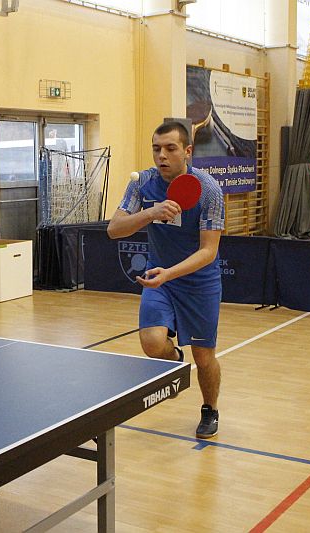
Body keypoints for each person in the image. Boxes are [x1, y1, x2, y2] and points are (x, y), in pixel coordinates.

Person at [107, 121, 225, 439]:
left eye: (170, 148)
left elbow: (209, 251)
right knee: (152, 343)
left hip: (199, 283)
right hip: (158, 277)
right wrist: (150, 213)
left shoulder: (208, 190)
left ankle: (210, 409)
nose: (162, 155)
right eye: (156, 148)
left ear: (187, 151)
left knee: (204, 357)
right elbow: (114, 229)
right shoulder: (142, 184)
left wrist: (169, 273)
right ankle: (174, 361)